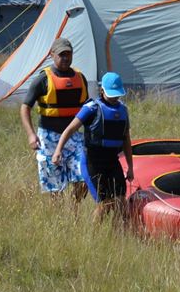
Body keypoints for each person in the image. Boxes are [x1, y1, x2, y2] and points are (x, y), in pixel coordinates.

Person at [53, 72, 134, 222]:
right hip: (93, 161)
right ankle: (93, 237)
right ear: (102, 91)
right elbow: (70, 129)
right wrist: (58, 150)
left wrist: (130, 166)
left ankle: (118, 237)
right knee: (104, 204)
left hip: (112, 161)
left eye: (117, 95)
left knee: (121, 201)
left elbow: (126, 140)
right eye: (112, 95)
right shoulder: (91, 108)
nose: (115, 98)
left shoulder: (123, 111)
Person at [20, 37, 89, 200]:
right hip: (49, 137)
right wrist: (31, 134)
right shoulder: (43, 79)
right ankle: (58, 216)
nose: (65, 58)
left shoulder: (80, 78)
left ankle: (74, 209)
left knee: (84, 176)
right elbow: (25, 107)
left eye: (68, 54)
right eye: (61, 54)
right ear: (52, 55)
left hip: (74, 137)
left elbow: (87, 107)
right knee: (54, 184)